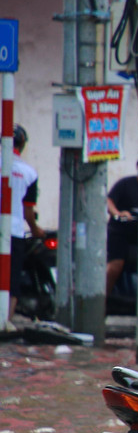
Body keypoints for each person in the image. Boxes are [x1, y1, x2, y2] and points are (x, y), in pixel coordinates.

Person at [7, 126, 42, 324]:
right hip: (14, 232)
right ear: (22, 145)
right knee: (12, 280)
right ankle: (6, 322)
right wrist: (36, 230)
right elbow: (28, 212)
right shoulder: (29, 173)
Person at [106, 162, 138, 295]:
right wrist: (118, 214)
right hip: (120, 232)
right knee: (116, 265)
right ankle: (103, 299)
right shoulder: (126, 184)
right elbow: (109, 201)